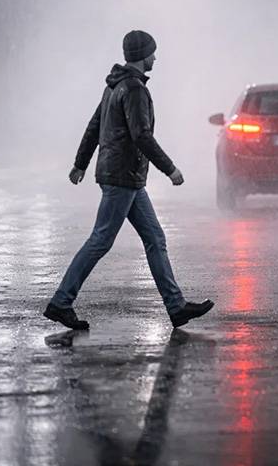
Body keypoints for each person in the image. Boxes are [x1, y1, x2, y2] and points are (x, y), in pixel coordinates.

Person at [43, 30, 214, 330]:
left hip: (126, 178)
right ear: (143, 55)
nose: (156, 58)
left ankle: (176, 307)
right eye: (153, 53)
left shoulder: (114, 85)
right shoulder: (133, 89)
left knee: (155, 238)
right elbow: (141, 136)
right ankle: (61, 302)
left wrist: (80, 164)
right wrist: (170, 169)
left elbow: (94, 125)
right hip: (123, 177)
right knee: (101, 240)